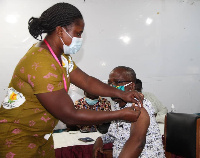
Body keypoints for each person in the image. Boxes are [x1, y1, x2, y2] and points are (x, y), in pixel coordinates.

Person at [0, 3, 143, 158]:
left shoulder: (60, 57)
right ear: (60, 31)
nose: (80, 39)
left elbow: (87, 81)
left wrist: (121, 93)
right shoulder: (41, 62)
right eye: (78, 33)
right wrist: (119, 114)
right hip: (18, 136)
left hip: (42, 135)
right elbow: (70, 115)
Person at [93, 66, 165, 158]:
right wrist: (100, 140)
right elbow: (113, 134)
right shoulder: (117, 105)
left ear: (131, 86)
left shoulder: (139, 105)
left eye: (117, 82)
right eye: (109, 83)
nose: (112, 86)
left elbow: (138, 142)